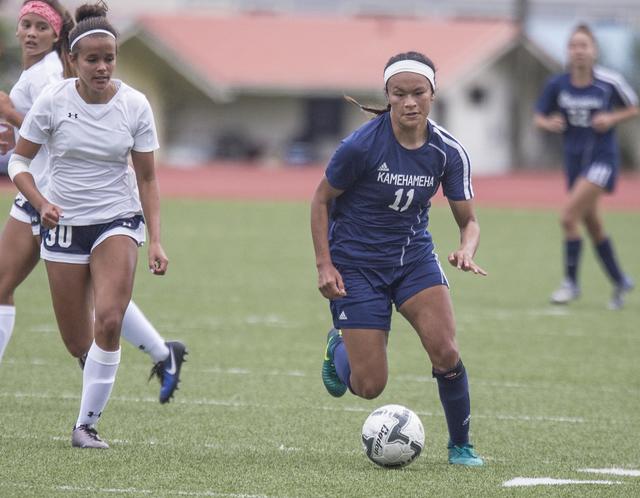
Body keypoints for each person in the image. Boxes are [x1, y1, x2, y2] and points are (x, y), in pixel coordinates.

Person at [0, 0, 187, 404]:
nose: (30, 33)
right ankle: (157, 352)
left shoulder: (52, 75)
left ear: (58, 40)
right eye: (24, 25)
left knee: (102, 304)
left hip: (62, 197)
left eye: (40, 27)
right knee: (90, 304)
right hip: (40, 194)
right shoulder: (36, 73)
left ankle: (109, 384)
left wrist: (9, 115)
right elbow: (30, 139)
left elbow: (49, 129)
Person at [311, 51, 485, 466]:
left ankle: (461, 445)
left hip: (413, 260)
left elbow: (470, 222)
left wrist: (466, 248)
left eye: (418, 93)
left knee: (445, 350)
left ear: (433, 94)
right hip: (356, 266)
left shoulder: (448, 151)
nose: (410, 102)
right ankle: (338, 346)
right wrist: (325, 264)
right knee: (369, 386)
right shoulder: (360, 145)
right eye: (400, 94)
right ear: (387, 96)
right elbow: (321, 201)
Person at [534, 24, 639, 310]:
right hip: (574, 164)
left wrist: (612, 118)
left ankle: (570, 283)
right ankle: (620, 281)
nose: (578, 51)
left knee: (568, 217)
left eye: (584, 46)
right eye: (573, 46)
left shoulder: (608, 81)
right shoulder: (557, 84)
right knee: (593, 227)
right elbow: (538, 117)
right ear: (567, 52)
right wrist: (550, 122)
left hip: (602, 161)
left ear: (594, 51)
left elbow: (634, 106)